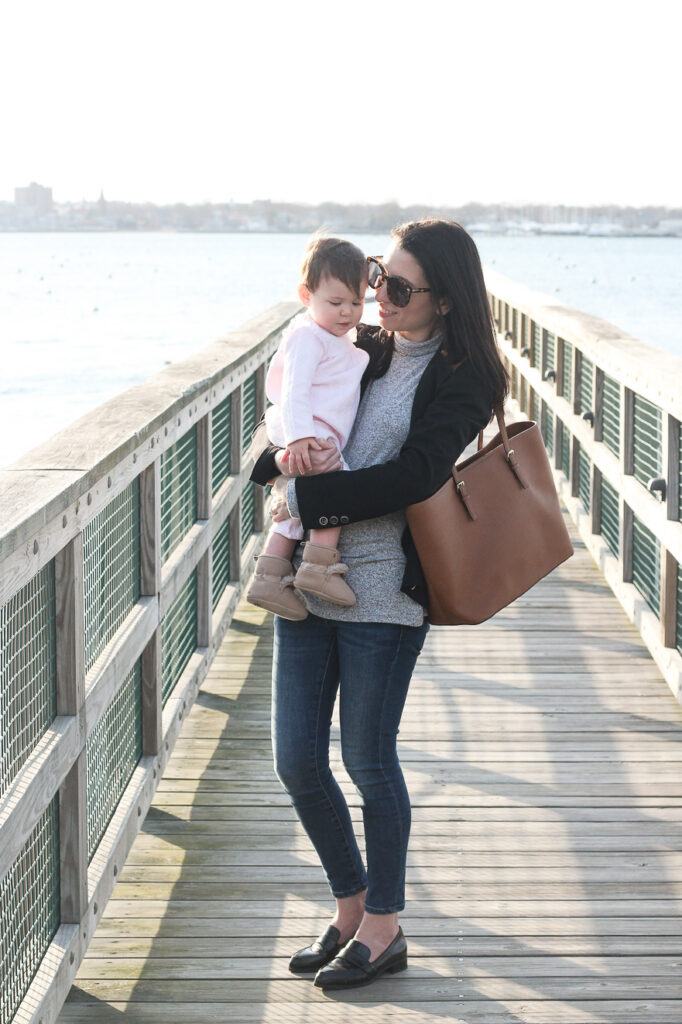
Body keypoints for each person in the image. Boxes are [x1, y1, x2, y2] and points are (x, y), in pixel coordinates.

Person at [250, 219, 509, 991]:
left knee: (366, 759)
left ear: (447, 299)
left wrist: (308, 489)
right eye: (375, 276)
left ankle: (386, 924)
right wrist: (281, 459)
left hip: (385, 590)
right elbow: (298, 419)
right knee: (295, 758)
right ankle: (349, 904)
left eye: (396, 288)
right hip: (310, 578)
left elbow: (417, 474)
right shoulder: (363, 347)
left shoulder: (468, 376)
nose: (375, 297)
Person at [247, 235, 369, 620]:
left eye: (357, 302)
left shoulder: (340, 339)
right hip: (307, 431)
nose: (347, 312)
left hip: (314, 431)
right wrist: (298, 437)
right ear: (306, 295)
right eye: (335, 303)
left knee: (296, 505)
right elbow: (293, 388)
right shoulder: (307, 337)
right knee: (336, 488)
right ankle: (318, 566)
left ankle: (269, 575)